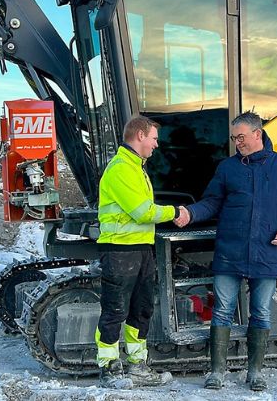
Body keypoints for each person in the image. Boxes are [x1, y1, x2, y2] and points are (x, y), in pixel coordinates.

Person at [180, 111, 277, 392]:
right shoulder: (227, 168)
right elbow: (212, 202)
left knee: (261, 312)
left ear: (257, 134)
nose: (237, 142)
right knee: (222, 310)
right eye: (234, 138)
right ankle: (216, 372)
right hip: (231, 251)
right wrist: (190, 213)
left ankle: (255, 372)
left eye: (241, 137)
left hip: (267, 251)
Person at [94, 115, 189, 389]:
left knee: (141, 309)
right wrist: (175, 213)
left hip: (139, 249)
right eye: (154, 139)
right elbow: (142, 212)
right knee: (115, 310)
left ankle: (137, 367)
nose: (156, 145)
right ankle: (109, 369)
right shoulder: (122, 169)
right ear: (140, 136)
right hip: (120, 251)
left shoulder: (136, 167)